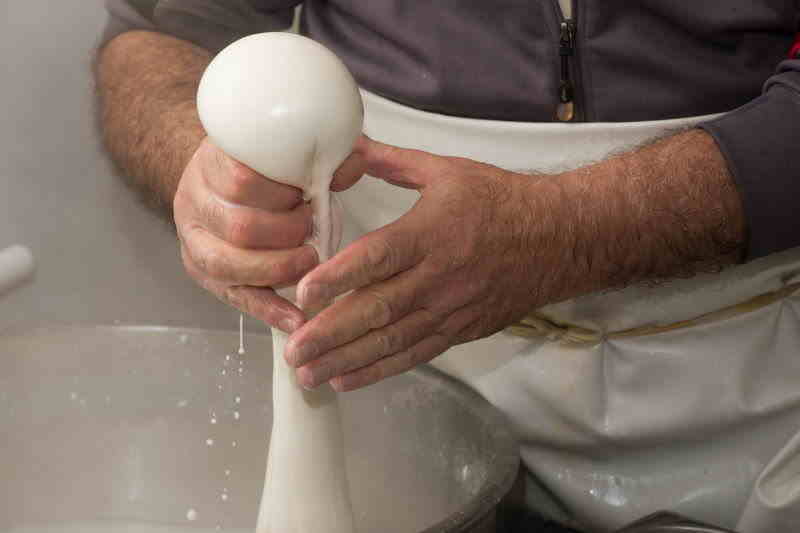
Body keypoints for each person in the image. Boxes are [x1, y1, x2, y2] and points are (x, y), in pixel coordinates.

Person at [95, 1, 800, 531]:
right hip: (396, 388)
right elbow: (157, 34)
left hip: (765, 378)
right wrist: (199, 167)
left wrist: (560, 231)